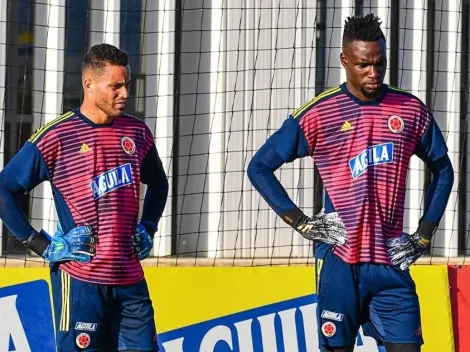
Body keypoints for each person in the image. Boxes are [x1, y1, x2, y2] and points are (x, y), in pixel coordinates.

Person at [247, 14, 454, 352]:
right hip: (340, 259)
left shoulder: (410, 109)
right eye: (364, 65)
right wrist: (301, 222)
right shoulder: (320, 113)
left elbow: (444, 170)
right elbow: (259, 167)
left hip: (390, 262)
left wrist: (424, 234)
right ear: (345, 60)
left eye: (380, 64)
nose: (374, 73)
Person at [0, 43, 168, 351]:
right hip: (80, 279)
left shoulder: (138, 133)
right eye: (115, 86)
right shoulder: (57, 136)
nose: (125, 94)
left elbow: (159, 184)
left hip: (130, 280)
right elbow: (4, 189)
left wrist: (149, 227)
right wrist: (42, 245)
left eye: (126, 85)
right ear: (88, 84)